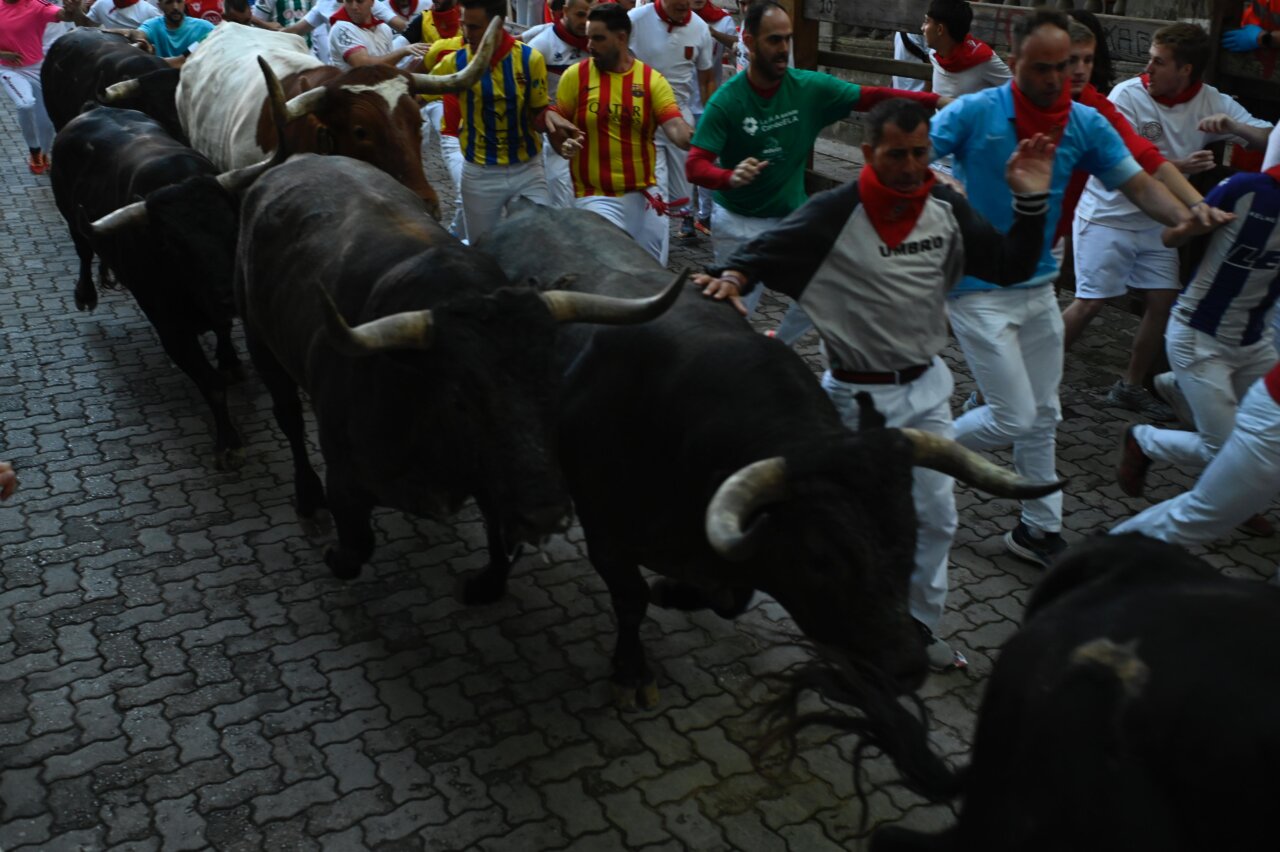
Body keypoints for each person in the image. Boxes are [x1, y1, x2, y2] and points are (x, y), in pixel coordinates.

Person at [694, 99, 1054, 670]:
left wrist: (1031, 200)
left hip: (930, 388)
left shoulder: (945, 204)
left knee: (937, 519)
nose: (912, 167)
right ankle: (770, 601)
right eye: (897, 155)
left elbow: (1010, 264)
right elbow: (756, 256)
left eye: (920, 153)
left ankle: (916, 631)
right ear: (867, 153)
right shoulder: (833, 213)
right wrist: (731, 277)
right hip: (859, 400)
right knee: (844, 525)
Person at [929, 8, 1205, 568]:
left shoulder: (1086, 121)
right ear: (1017, 55)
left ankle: (1037, 529)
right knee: (1012, 416)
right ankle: (909, 459)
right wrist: (946, 186)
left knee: (1044, 412)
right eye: (1044, 66)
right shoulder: (975, 112)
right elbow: (907, 162)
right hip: (976, 286)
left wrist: (1183, 217)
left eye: (1068, 66)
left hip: (1036, 287)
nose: (1057, 78)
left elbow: (1137, 180)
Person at [686, 1, 943, 345]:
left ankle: (778, 348)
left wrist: (936, 101)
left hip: (792, 221)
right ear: (747, 40)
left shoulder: (808, 88)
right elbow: (695, 165)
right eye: (773, 40)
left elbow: (871, 96)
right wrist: (727, 178)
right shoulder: (727, 101)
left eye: (787, 40)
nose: (783, 49)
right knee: (734, 318)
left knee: (825, 291)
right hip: (738, 223)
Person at [1066, 22, 1272, 416]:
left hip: (1159, 225)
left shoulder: (1212, 100)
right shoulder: (1126, 95)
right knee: (1090, 304)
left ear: (1186, 71)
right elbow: (1123, 162)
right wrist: (1180, 166)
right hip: (1109, 213)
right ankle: (1031, 379)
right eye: (1149, 60)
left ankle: (1129, 385)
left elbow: (1269, 137)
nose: (1149, 70)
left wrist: (1233, 127)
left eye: (1159, 63)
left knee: (1164, 301)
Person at [1116, 163, 1280, 515]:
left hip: (1254, 343)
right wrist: (1191, 225)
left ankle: (1182, 386)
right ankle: (1145, 442)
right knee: (1228, 451)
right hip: (1199, 337)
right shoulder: (1248, 189)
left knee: (1269, 440)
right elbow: (1170, 237)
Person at [545, 2, 691, 263]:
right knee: (609, 264)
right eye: (588, 38)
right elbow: (558, 124)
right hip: (594, 195)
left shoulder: (651, 80)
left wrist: (702, 139)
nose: (589, 46)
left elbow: (675, 127)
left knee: (652, 274)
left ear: (621, 38)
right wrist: (561, 144)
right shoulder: (574, 77)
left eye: (598, 39)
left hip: (645, 196)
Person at [1112, 363, 1280, 548]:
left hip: (1251, 351)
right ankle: (1098, 562)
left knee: (1223, 459)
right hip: (1270, 414)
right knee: (1203, 512)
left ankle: (1240, 499)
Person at [431, 0, 551, 240]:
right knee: (484, 252)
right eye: (464, 25)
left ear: (498, 26)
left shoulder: (530, 59)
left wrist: (555, 122)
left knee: (541, 238)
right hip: (479, 174)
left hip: (528, 169)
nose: (467, 34)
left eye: (475, 28)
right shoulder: (454, 63)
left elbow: (539, 112)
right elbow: (413, 94)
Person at [627, 0, 714, 243]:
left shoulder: (700, 28)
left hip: (679, 118)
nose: (684, 2)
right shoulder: (635, 19)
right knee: (654, 188)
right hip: (642, 117)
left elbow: (706, 79)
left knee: (681, 193)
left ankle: (675, 222)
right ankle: (652, 244)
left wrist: (711, 119)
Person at [1, 0, 89, 173]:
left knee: (46, 116)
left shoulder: (36, 6)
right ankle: (34, 150)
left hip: (36, 67)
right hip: (8, 68)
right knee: (25, 103)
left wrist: (73, 9)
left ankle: (43, 153)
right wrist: (2, 54)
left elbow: (62, 15)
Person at [524, 0, 590, 208]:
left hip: (594, 133)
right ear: (565, 10)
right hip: (557, 136)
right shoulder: (541, 45)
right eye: (580, 15)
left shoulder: (596, 42)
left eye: (590, 15)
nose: (586, 22)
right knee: (563, 204)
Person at [921, 0, 1010, 99]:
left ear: (940, 30)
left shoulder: (982, 59)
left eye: (926, 22)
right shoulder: (934, 54)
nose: (922, 28)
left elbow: (1016, 90)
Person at [329, 0, 429, 68]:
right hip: (351, 96)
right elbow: (363, 66)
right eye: (349, 1)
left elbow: (387, 68)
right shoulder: (341, 28)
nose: (354, 7)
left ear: (373, 2)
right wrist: (403, 52)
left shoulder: (383, 29)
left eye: (360, 1)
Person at [119, 0, 215, 58]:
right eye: (169, 2)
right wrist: (135, 36)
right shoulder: (152, 25)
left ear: (184, 2)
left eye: (179, 1)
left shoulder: (205, 27)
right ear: (159, 5)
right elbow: (141, 32)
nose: (175, 7)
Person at [85, 0, 161, 30]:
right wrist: (77, 8)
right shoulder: (101, 4)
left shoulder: (149, 11)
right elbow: (86, 25)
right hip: (109, 55)